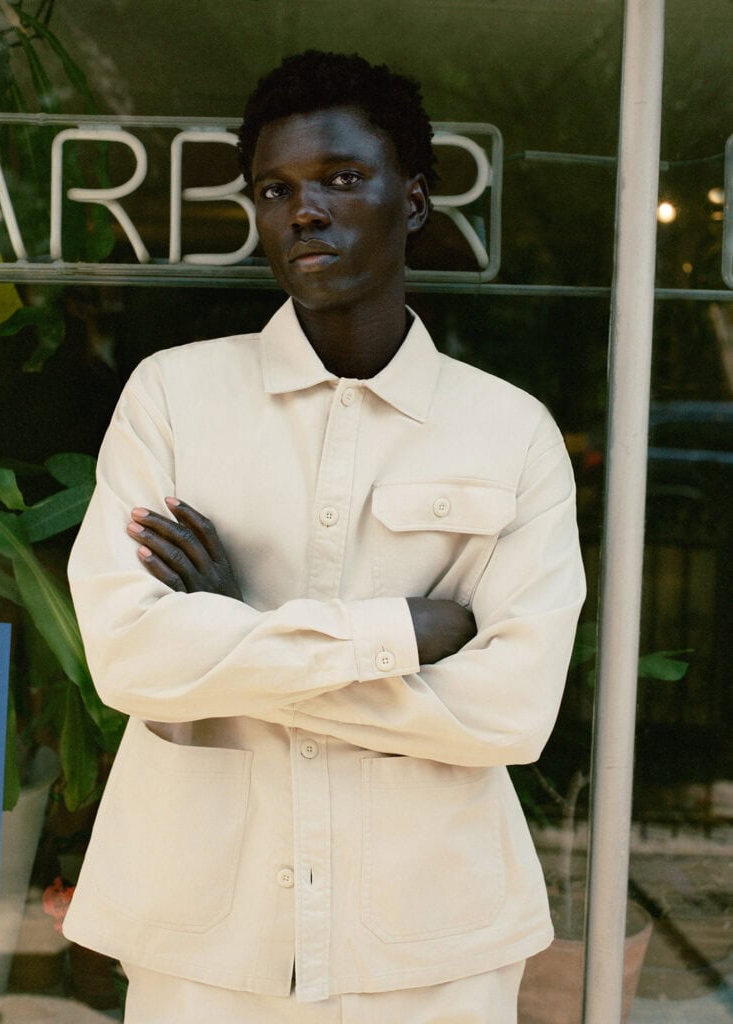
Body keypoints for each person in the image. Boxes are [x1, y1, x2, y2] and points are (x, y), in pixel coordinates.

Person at [62, 50, 586, 1023]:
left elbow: (512, 710)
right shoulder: (174, 399)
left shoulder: (508, 431)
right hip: (206, 943)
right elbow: (131, 660)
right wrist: (396, 635)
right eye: (277, 188)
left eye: (342, 178)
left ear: (415, 200)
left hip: (434, 947)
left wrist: (229, 638)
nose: (305, 209)